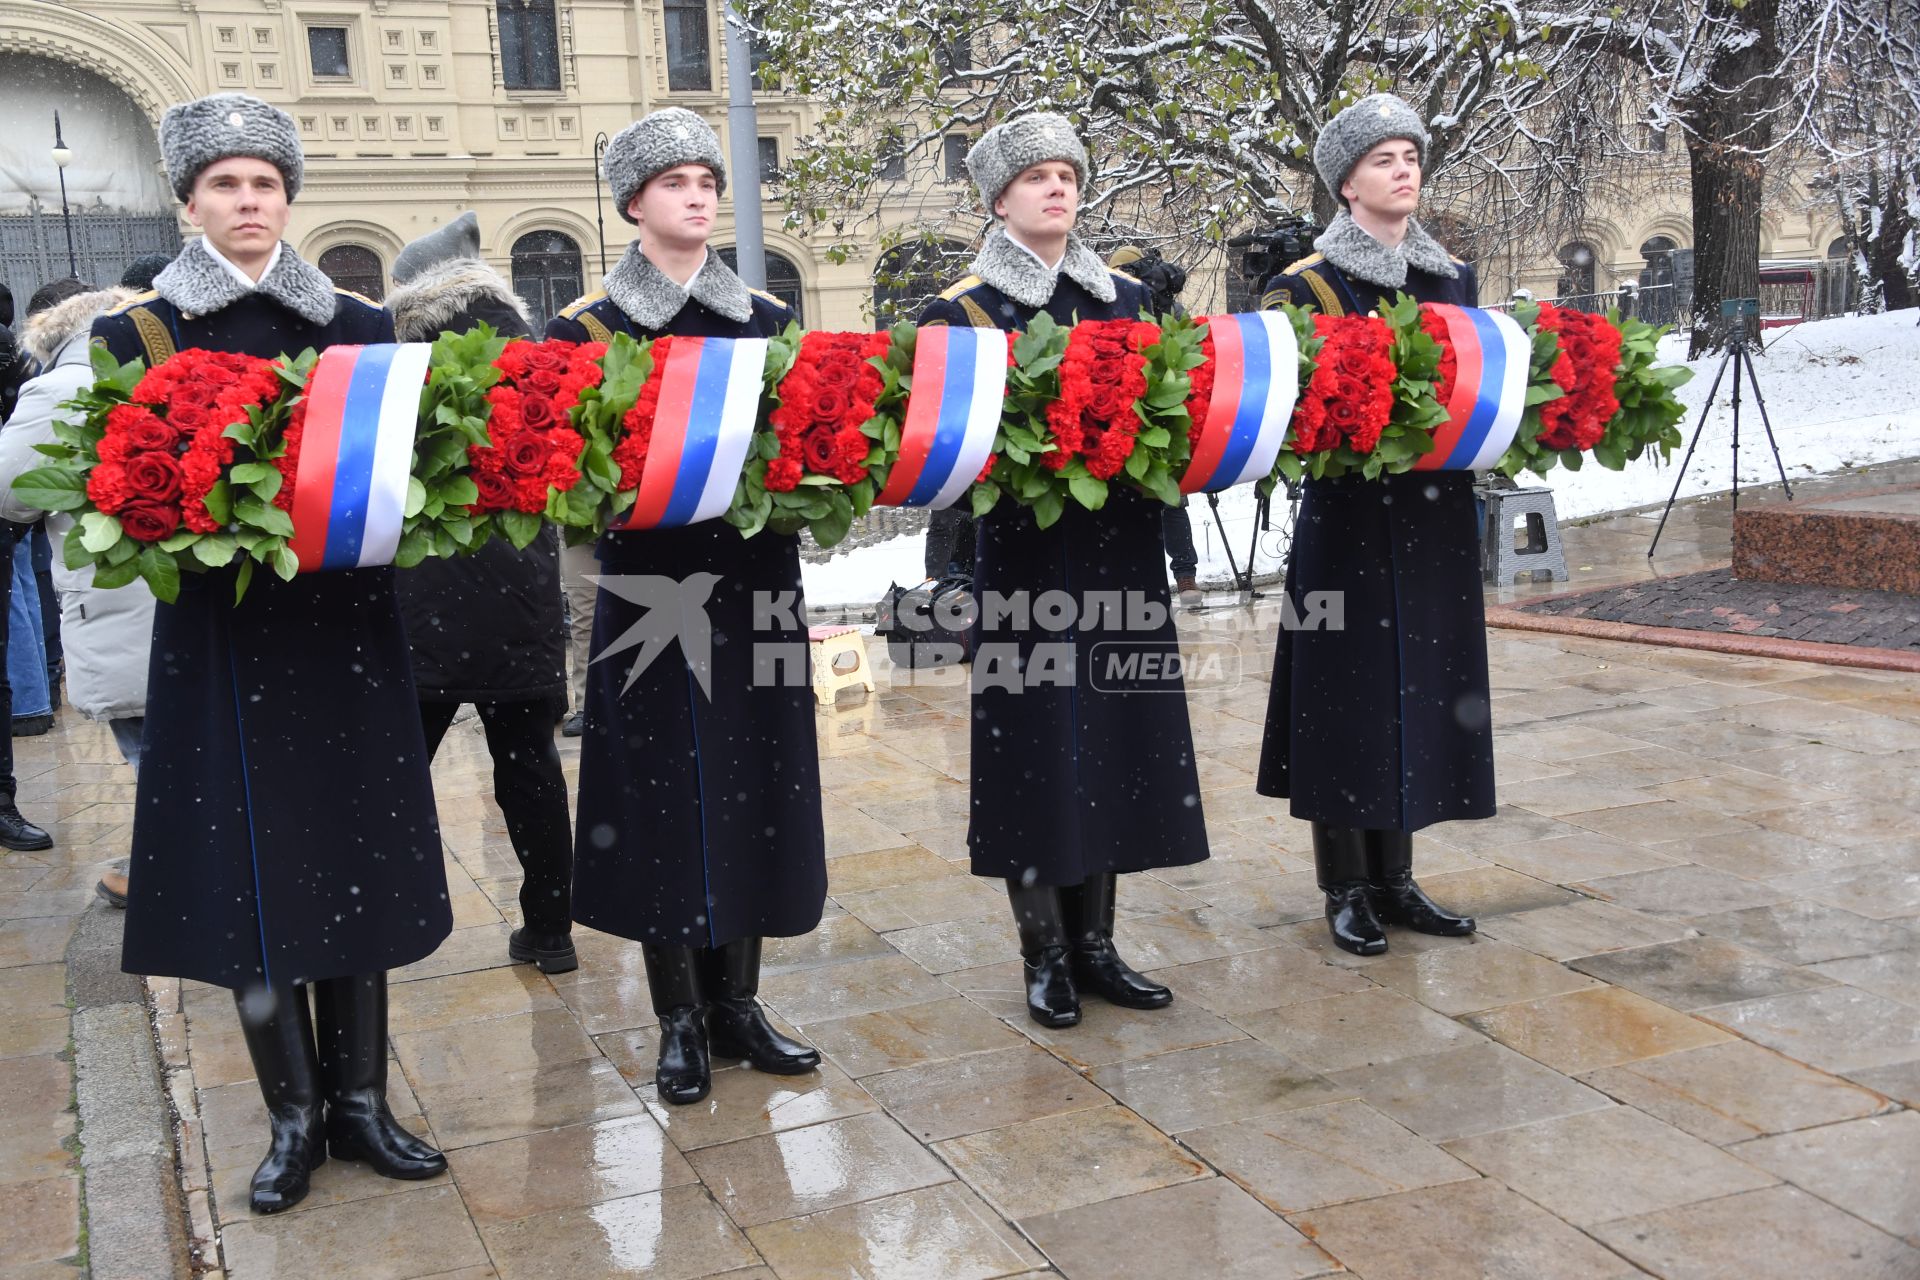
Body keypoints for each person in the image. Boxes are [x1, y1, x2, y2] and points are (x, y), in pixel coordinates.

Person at [91, 93, 451, 1213]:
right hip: (221, 640)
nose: (250, 202)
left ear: (290, 197)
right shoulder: (137, 334)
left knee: (355, 852)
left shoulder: (357, 324)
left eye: (267, 183)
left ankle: (360, 1100)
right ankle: (292, 1111)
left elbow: (402, 476)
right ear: (188, 199)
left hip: (342, 628)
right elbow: (109, 493)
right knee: (246, 869)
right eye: (227, 185)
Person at [546, 108, 826, 1104]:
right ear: (633, 202)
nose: (698, 194)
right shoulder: (586, 329)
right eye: (674, 182)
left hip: (755, 586)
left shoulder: (765, 317)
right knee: (664, 794)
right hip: (650, 588)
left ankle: (738, 1004)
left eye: (708, 179)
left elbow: (813, 445)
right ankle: (676, 1016)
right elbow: (564, 477)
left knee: (753, 783)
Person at [919, 114, 1208, 1029]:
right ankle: (1045, 953)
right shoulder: (962, 311)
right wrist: (955, 579)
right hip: (1022, 562)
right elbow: (947, 469)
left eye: (1069, 175)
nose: (1057, 189)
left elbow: (1170, 425)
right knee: (1036, 758)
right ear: (998, 199)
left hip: (1119, 556)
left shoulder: (1126, 300)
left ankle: (1098, 945)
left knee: (1117, 745)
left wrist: (1174, 534)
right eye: (1037, 176)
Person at [1257, 93, 1486, 956]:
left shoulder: (1450, 277)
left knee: (1420, 693)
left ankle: (1396, 878)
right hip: (1348, 519)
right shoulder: (1307, 284)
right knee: (1344, 699)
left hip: (1434, 516)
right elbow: (1290, 411)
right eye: (1386, 160)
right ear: (1347, 183)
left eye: (1412, 158)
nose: (1405, 172)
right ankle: (1346, 884)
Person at [384, 213, 578, 975]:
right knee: (529, 767)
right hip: (522, 593)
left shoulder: (400, 358)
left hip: (420, 596)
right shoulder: (534, 357)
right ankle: (550, 928)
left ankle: (378, 919)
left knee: (398, 771)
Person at [0, 284, 149, 899]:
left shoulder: (56, 390)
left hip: (118, 597)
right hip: (196, 592)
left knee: (154, 750)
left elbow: (12, 491)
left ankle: (172, 873)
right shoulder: (171, 374)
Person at [1109, 246, 1201, 604]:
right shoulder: (1168, 304)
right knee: (1171, 497)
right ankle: (1186, 577)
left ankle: (1144, 579)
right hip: (1168, 406)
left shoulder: (1122, 303)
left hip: (1134, 407)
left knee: (1147, 499)